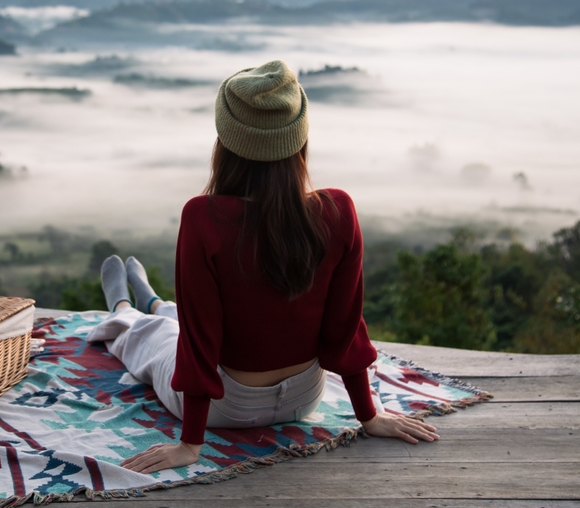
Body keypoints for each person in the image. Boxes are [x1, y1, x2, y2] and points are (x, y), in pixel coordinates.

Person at [86, 60, 438, 474]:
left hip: (224, 406)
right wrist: (369, 416)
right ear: (299, 142)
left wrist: (191, 445)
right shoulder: (338, 211)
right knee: (175, 324)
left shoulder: (204, 218)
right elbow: (345, 327)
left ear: (226, 143)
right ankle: (157, 301)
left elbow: (199, 342)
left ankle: (125, 311)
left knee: (157, 339)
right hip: (304, 398)